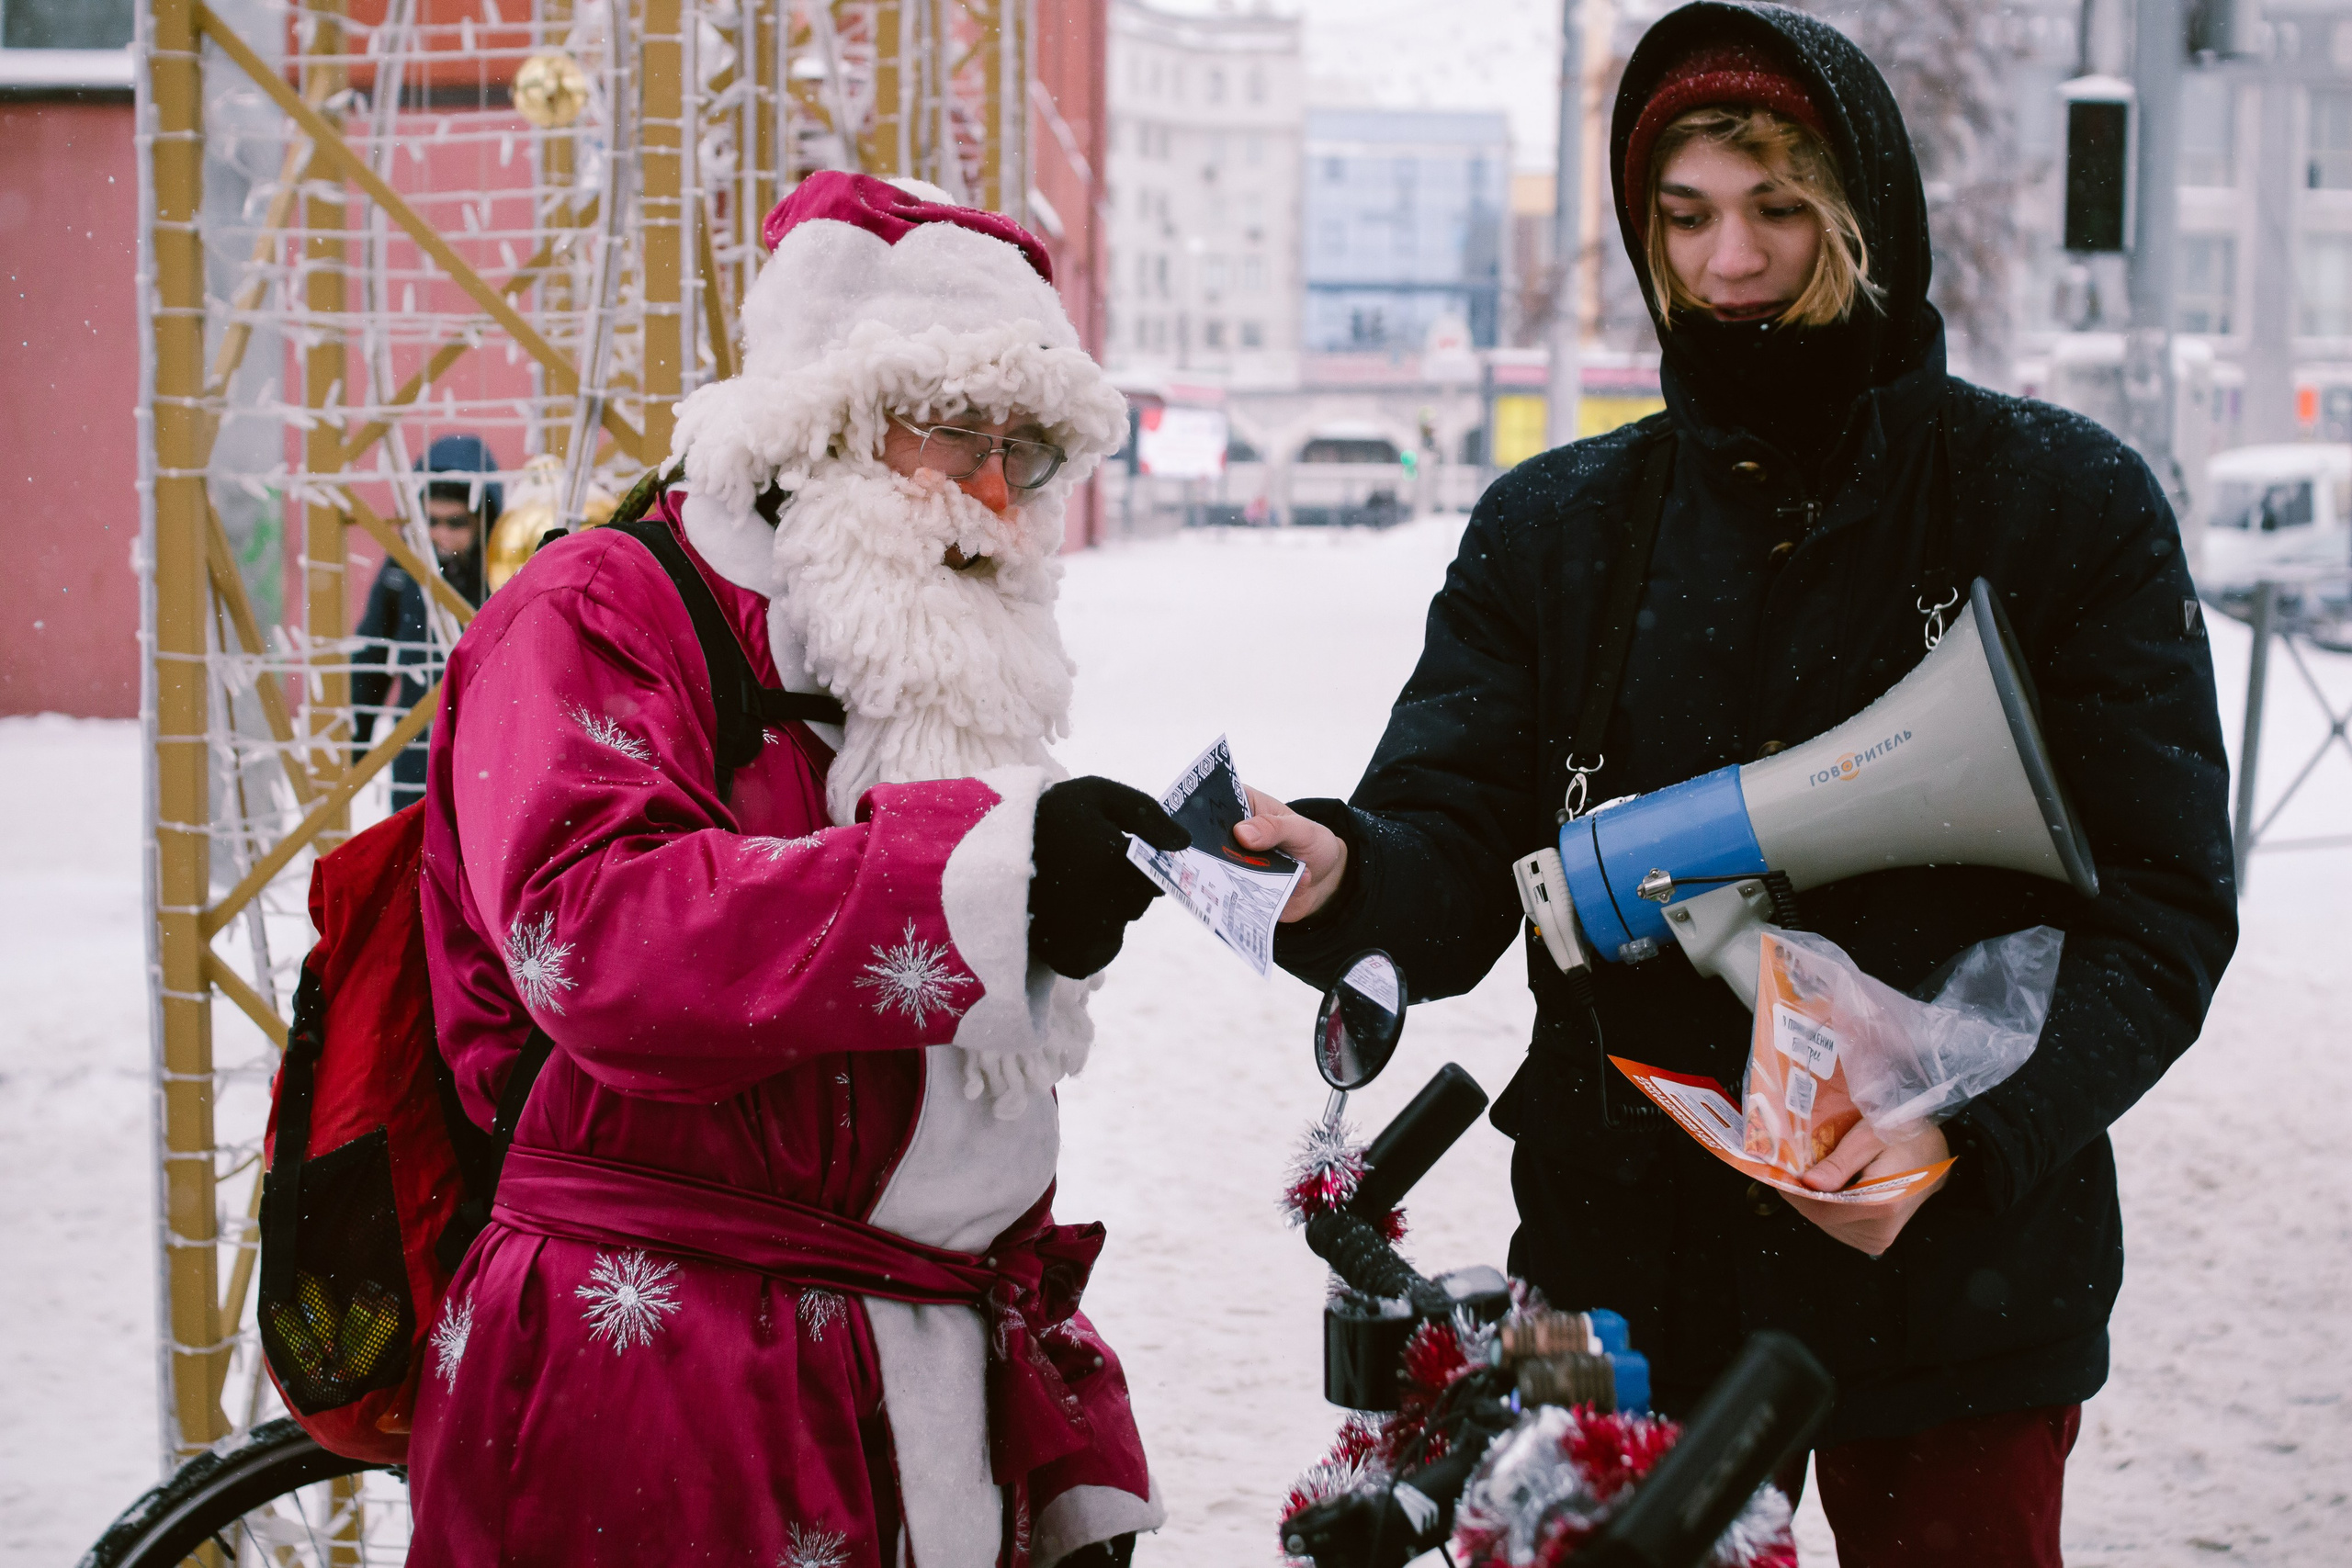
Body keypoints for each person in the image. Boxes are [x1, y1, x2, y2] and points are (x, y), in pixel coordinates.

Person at [1236, 6, 2236, 1565]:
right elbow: (1448, 843)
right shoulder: (1555, 530)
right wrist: (1341, 872)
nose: (1727, 265)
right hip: (1633, 1279)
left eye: (1779, 209)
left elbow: (2164, 907)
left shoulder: (2059, 507)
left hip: (1963, 1288)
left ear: (1866, 215)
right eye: (1685, 216)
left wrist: (1971, 1135)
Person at [407, 173, 1177, 1568]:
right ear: (819, 422)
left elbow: (964, 1142)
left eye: (1031, 450)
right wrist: (978, 884)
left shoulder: (915, 666)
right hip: (660, 1389)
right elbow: (594, 938)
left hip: (910, 1408)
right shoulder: (594, 615)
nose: (998, 494)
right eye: (954, 431)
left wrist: (1068, 1461)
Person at [351, 434, 498, 811]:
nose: (442, 536)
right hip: (417, 754)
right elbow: (371, 656)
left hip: (491, 754)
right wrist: (356, 742)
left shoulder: (502, 575)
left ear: (485, 520)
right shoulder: (404, 568)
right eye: (430, 520)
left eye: (456, 523)